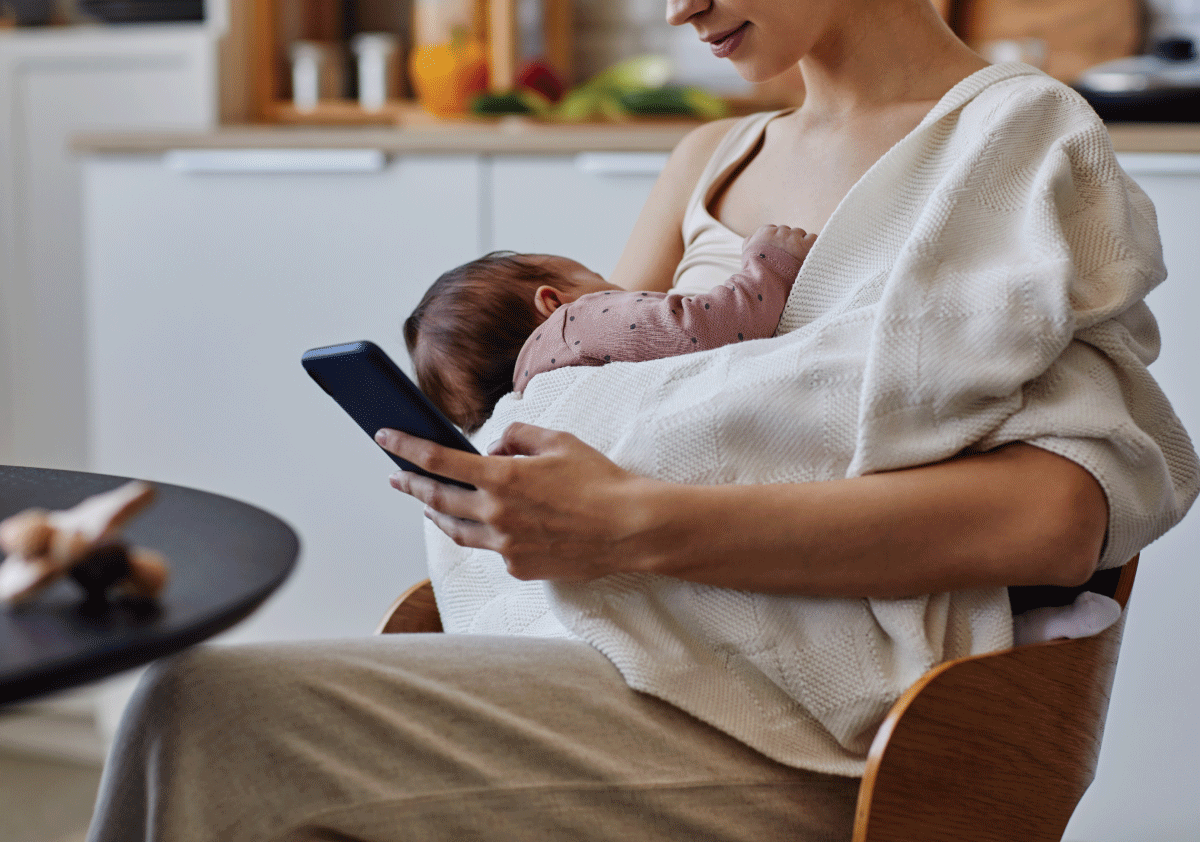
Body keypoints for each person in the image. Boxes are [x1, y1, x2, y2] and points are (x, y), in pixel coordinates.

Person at [88, 1, 1200, 840]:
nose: (676, 11)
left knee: (212, 718)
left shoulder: (1014, 142)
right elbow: (592, 413)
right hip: (621, 660)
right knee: (201, 710)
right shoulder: (708, 162)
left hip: (812, 728)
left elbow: (1054, 520)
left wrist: (631, 523)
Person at [405, 224, 813, 432]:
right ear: (552, 301)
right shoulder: (575, 325)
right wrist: (770, 264)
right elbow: (703, 330)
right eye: (594, 276)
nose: (622, 292)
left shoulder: (535, 388)